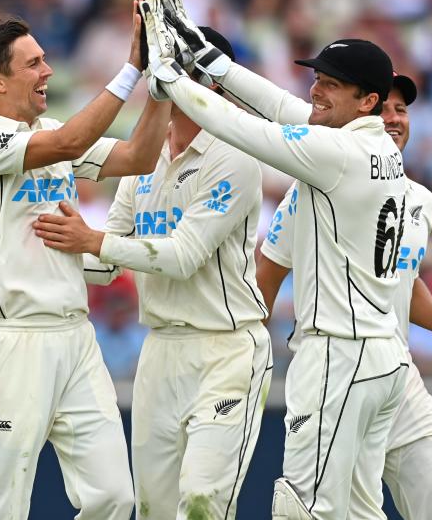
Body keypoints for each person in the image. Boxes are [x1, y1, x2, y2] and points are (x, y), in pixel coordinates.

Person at [143, 0, 409, 519]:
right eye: (318, 78)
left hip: (339, 354)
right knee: (359, 511)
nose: (316, 90)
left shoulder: (334, 153)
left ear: (369, 101)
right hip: (381, 357)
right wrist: (209, 57)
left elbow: (246, 128)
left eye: (332, 84)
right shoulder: (375, 147)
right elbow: (285, 108)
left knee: (302, 508)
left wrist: (170, 76)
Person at [32, 28, 272, 519]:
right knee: (155, 509)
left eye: (184, 69)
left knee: (202, 502)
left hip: (227, 350)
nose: (170, 79)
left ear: (216, 87)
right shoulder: (145, 157)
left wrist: (92, 240)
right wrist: (49, 251)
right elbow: (105, 264)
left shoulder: (238, 156)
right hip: (160, 351)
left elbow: (183, 256)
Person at [0, 0, 171, 520]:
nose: (47, 71)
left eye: (45, 59)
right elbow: (71, 141)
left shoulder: (49, 130)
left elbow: (138, 158)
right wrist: (133, 67)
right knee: (5, 504)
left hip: (76, 336)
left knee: (114, 497)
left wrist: (161, 86)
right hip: (14, 338)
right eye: (32, 64)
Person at [257, 73, 432, 519]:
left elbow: (400, 280)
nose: (393, 118)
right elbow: (268, 274)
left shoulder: (420, 199)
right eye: (384, 108)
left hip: (397, 374)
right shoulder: (313, 188)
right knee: (336, 511)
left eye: (402, 109)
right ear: (363, 113)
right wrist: (251, 356)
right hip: (339, 367)